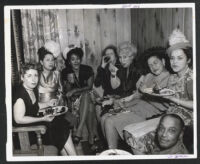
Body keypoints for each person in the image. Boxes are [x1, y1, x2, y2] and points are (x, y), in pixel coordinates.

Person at [103, 47, 171, 149]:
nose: (153, 67)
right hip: (135, 107)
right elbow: (137, 95)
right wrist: (119, 101)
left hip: (150, 114)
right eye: (150, 65)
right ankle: (112, 149)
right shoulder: (148, 76)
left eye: (155, 63)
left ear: (163, 61)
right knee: (105, 117)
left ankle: (112, 154)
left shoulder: (170, 78)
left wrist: (146, 93)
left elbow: (165, 105)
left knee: (109, 121)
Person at [13, 63, 76, 156]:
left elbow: (33, 106)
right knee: (59, 126)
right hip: (26, 133)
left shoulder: (32, 88)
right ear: (22, 78)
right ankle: (74, 157)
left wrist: (47, 103)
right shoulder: (20, 95)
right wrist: (42, 119)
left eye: (35, 75)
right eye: (29, 76)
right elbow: (19, 119)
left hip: (32, 125)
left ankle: (70, 157)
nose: (33, 79)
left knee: (60, 122)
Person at [61, 47, 98, 151]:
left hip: (89, 95)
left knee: (86, 95)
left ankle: (79, 130)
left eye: (77, 58)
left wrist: (75, 90)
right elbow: (68, 93)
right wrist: (69, 83)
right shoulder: (65, 72)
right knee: (90, 107)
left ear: (81, 59)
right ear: (69, 62)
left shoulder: (87, 69)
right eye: (72, 59)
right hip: (74, 100)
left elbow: (90, 87)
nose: (76, 61)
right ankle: (91, 138)